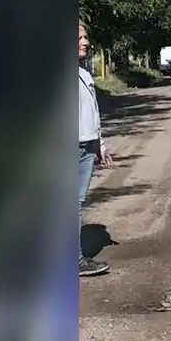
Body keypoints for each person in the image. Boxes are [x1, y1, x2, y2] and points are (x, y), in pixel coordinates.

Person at [78, 20, 114, 276]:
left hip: (86, 147)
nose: (86, 42)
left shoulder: (85, 75)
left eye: (85, 37)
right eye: (79, 37)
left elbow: (94, 113)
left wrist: (100, 145)